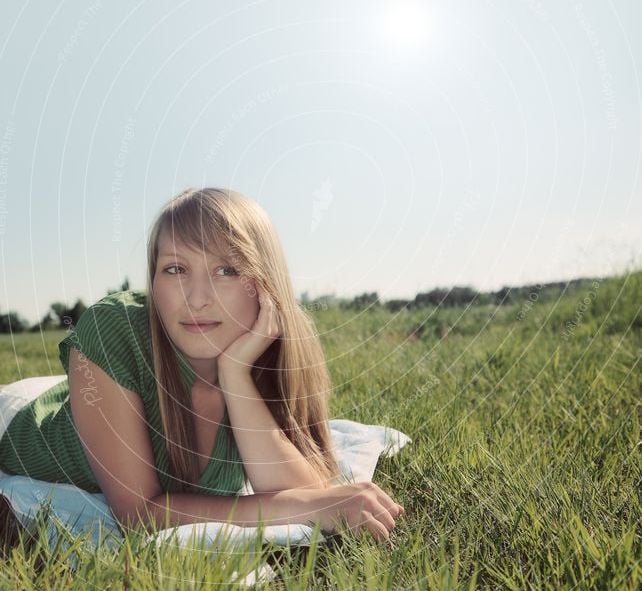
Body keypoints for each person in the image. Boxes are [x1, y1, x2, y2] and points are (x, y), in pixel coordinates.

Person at [0, 187, 404, 544]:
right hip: (24, 418)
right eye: (175, 269)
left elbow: (307, 492)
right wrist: (305, 507)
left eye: (226, 270)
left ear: (265, 284)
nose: (197, 298)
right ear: (152, 279)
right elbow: (140, 515)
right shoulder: (113, 329)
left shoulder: (268, 358)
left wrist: (234, 374)